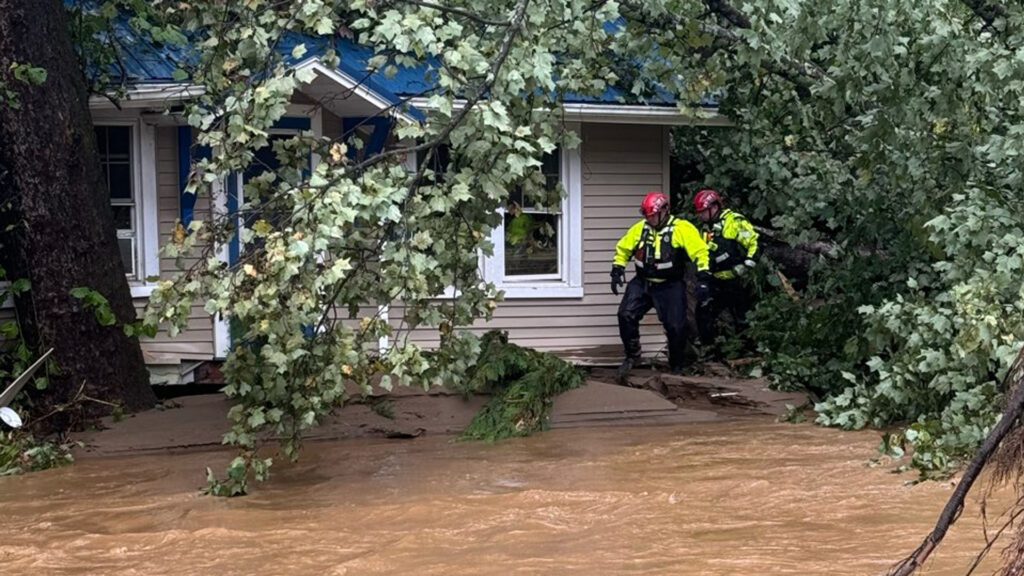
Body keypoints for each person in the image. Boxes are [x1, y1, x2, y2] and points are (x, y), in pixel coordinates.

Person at [610, 191, 710, 379]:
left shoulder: (682, 229)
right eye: (647, 215)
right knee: (625, 314)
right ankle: (632, 356)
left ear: (665, 211)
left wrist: (703, 277)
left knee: (675, 326)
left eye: (653, 215)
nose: (651, 219)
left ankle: (676, 364)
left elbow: (700, 252)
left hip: (670, 284)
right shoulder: (640, 228)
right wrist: (617, 268)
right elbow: (623, 248)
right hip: (643, 282)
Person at [692, 188, 760, 353]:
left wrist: (746, 266)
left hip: (736, 279)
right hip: (715, 279)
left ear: (713, 208)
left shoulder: (734, 222)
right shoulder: (705, 229)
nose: (700, 215)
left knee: (742, 316)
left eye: (702, 211)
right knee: (704, 311)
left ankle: (748, 351)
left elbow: (754, 244)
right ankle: (710, 350)